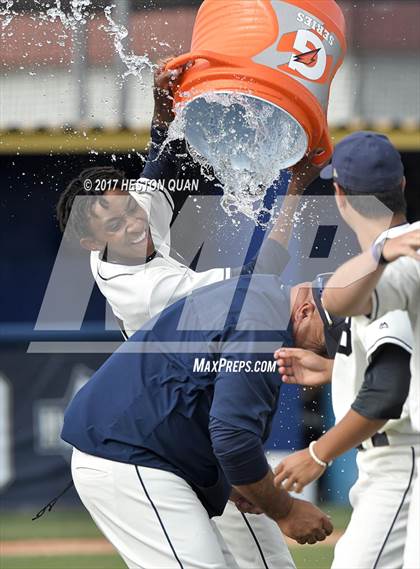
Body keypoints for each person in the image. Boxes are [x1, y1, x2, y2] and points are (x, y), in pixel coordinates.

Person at [57, 62, 324, 568]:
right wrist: (293, 187)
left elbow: (157, 167)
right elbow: (257, 282)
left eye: (131, 209)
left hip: (189, 414)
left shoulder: (136, 216)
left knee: (269, 562)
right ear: (92, 243)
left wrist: (163, 107)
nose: (135, 222)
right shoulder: (146, 289)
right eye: (116, 223)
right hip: (156, 429)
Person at [62, 269, 336, 569]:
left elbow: (198, 398)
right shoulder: (263, 324)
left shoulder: (260, 298)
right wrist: (285, 510)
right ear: (306, 310)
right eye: (328, 342)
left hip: (146, 450)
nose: (324, 353)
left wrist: (237, 484)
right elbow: (232, 439)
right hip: (129, 453)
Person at [273, 132, 419, 568]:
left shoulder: (397, 258)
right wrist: (339, 368)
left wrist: (318, 454)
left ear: (338, 194)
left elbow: (387, 390)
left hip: (405, 459)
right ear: (402, 186)